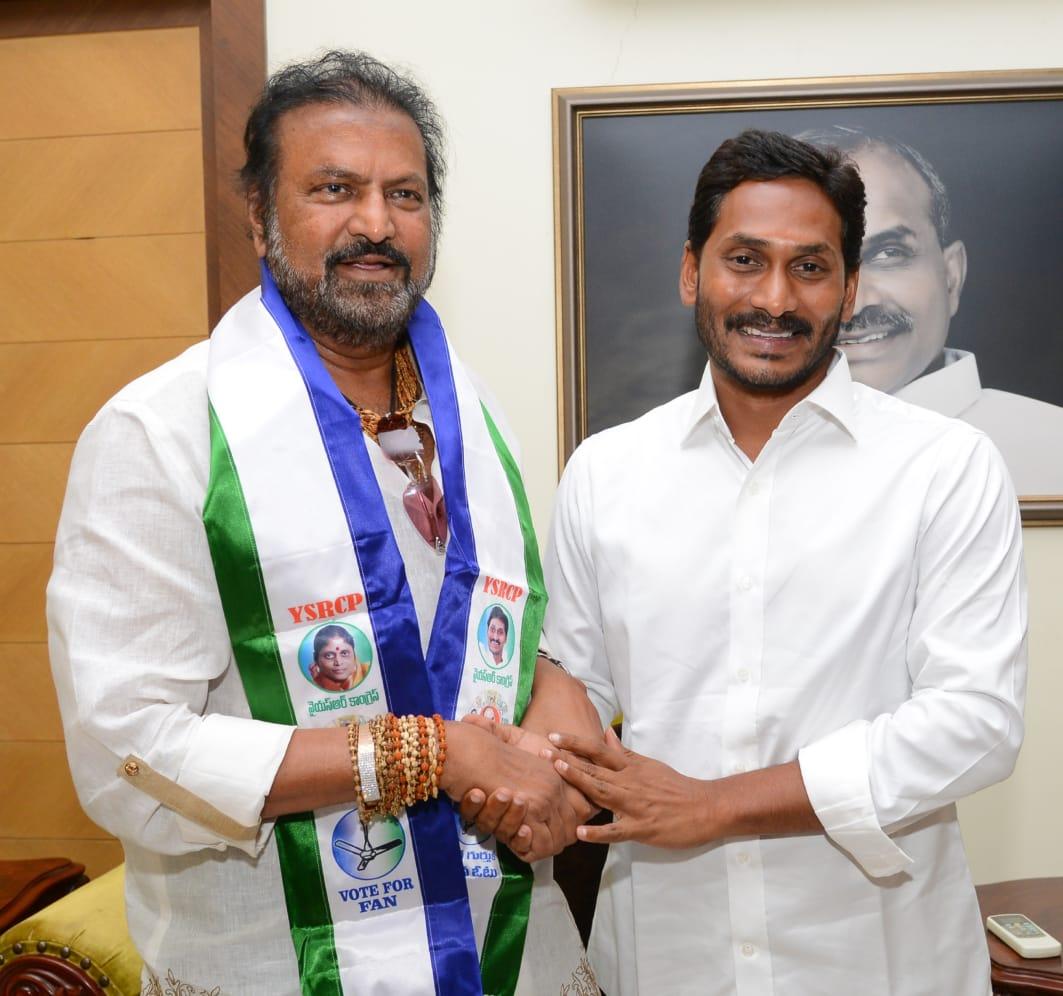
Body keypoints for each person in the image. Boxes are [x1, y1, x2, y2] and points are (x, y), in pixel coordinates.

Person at [47, 50, 600, 996]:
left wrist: (557, 729)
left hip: (506, 940)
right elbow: (126, 743)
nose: (376, 224)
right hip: (273, 954)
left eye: (407, 195)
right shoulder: (165, 433)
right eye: (334, 189)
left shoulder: (470, 416)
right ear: (259, 215)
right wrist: (426, 753)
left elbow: (482, 638)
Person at [538, 130, 1027, 995]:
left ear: (846, 286)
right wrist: (527, 756)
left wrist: (714, 804)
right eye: (743, 260)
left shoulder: (944, 467)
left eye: (809, 267)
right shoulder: (605, 472)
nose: (774, 297)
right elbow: (574, 692)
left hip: (880, 963)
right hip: (667, 956)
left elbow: (974, 723)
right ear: (692, 272)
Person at [799, 124, 1063, 496]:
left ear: (951, 276)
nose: (854, 304)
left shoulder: (1054, 449)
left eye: (889, 253)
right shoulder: (733, 454)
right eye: (811, 266)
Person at [308, 624, 370, 692]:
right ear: (316, 658)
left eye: (344, 653)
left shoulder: (371, 672)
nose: (338, 662)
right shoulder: (310, 689)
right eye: (329, 655)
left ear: (354, 654)